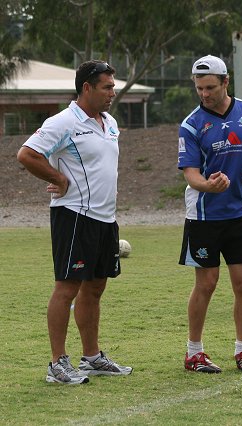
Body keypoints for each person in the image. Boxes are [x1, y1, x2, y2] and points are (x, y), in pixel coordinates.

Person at [17, 60, 133, 384]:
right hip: (74, 216)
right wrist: (58, 178)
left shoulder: (109, 122)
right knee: (67, 288)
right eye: (107, 87)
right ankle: (57, 363)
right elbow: (26, 154)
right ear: (87, 88)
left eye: (113, 86)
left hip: (104, 218)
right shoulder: (64, 122)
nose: (113, 92)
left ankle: (92, 357)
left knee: (95, 287)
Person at [178, 55, 242, 374]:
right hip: (204, 216)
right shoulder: (192, 124)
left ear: (225, 82)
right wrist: (207, 185)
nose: (204, 94)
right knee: (206, 283)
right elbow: (190, 173)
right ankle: (194, 353)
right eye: (199, 88)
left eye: (209, 87)